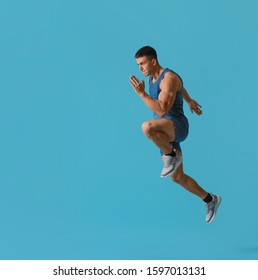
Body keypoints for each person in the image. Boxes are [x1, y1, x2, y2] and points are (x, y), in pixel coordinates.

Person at [129, 46, 222, 224]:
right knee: (177, 177)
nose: (140, 68)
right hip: (163, 133)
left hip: (176, 126)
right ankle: (211, 199)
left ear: (153, 61)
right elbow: (181, 86)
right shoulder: (152, 78)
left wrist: (141, 94)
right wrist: (189, 100)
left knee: (147, 127)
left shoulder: (168, 78)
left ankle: (171, 155)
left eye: (142, 63)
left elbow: (163, 109)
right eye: (138, 65)